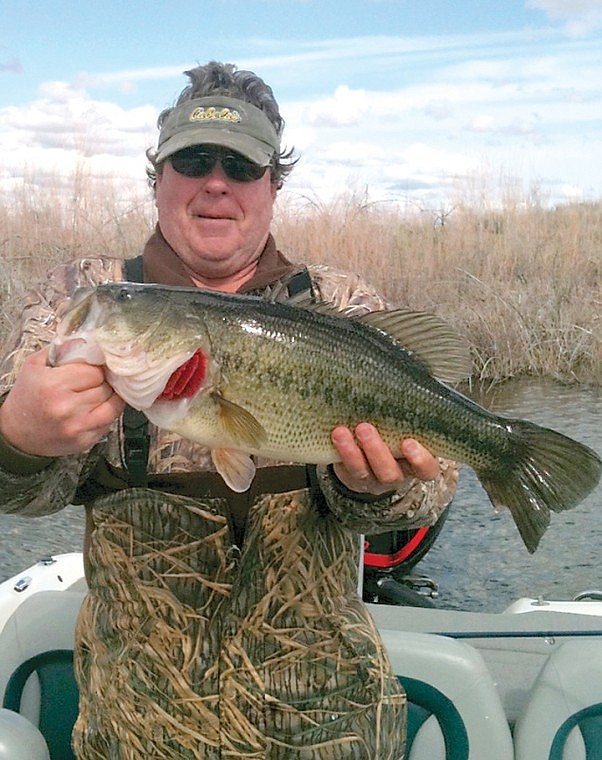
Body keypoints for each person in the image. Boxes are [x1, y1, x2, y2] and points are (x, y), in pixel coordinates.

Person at [0, 61, 457, 759]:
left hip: (330, 727)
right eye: (193, 159)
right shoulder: (89, 299)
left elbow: (431, 487)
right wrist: (18, 438)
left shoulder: (341, 306)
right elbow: (21, 494)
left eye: (241, 166)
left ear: (273, 186)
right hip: (138, 732)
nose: (216, 181)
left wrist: (376, 487)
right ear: (159, 177)